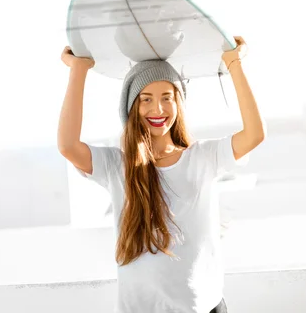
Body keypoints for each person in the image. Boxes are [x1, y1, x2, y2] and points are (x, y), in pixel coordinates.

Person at [58, 36, 265, 313]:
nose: (157, 109)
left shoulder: (202, 157)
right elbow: (68, 145)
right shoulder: (117, 166)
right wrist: (78, 70)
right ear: (132, 108)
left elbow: (254, 135)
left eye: (167, 98)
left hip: (203, 308)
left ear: (178, 104)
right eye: (146, 99)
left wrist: (234, 64)